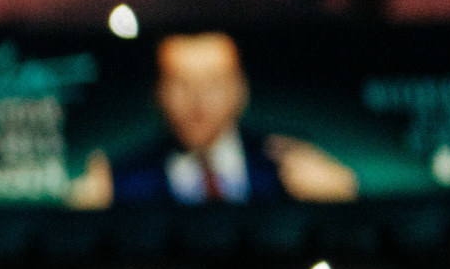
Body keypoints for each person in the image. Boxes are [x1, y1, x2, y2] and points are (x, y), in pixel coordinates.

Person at [64, 32, 357, 207]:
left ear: (240, 91)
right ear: (160, 94)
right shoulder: (121, 180)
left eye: (214, 83)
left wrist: (342, 201)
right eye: (182, 84)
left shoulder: (287, 165)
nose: (198, 100)